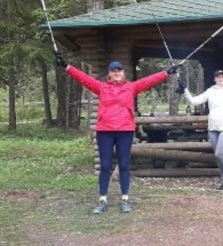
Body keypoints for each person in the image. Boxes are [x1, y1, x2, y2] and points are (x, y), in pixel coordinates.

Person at [54, 52, 178, 214]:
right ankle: (102, 200)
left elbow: (149, 81)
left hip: (125, 131)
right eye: (113, 71)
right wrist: (66, 66)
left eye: (119, 70)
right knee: (105, 166)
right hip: (105, 131)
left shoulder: (131, 87)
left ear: (123, 72)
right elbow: (84, 78)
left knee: (124, 165)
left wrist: (166, 73)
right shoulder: (102, 87)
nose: (117, 73)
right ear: (109, 73)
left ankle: (125, 200)